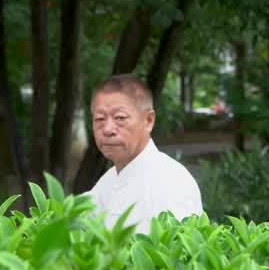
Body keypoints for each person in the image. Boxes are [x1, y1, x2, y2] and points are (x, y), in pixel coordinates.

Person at [87, 74, 203, 235]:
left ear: (148, 120)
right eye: (99, 119)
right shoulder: (108, 181)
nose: (107, 129)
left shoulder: (171, 182)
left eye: (120, 118)